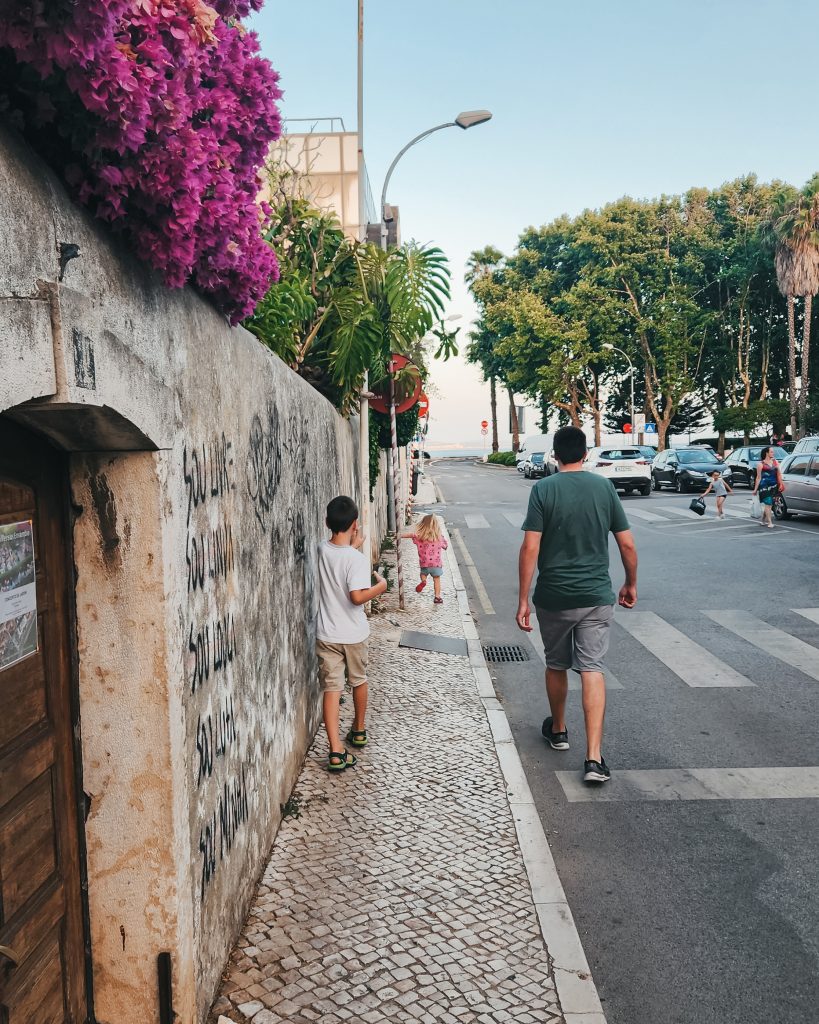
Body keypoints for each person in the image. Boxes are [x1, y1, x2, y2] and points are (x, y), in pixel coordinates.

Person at [516, 426, 638, 784]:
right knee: (592, 668)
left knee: (556, 663)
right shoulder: (603, 487)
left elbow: (530, 548)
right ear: (586, 454)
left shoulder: (543, 489)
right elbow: (627, 545)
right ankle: (594, 758)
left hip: (553, 596)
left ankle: (558, 730)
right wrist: (630, 583)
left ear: (555, 455)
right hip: (595, 596)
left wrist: (523, 599)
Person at [316, 496, 387, 772]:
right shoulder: (356, 560)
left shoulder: (322, 549)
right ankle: (358, 730)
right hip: (354, 635)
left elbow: (338, 554)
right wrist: (380, 587)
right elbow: (357, 597)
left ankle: (335, 751)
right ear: (355, 525)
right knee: (359, 680)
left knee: (331, 689)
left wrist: (352, 547)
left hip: (327, 634)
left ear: (327, 523)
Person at [402, 514, 448, 604]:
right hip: (436, 564)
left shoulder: (420, 536)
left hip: (424, 563)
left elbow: (411, 535)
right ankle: (437, 597)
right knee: (437, 580)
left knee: (423, 574)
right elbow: (445, 546)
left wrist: (400, 535)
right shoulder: (439, 537)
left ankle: (423, 581)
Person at [752, 446, 784, 529]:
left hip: (774, 486)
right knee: (768, 503)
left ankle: (763, 520)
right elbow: (758, 477)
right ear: (767, 453)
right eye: (771, 452)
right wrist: (755, 489)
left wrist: (781, 484)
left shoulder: (775, 462)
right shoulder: (760, 464)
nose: (773, 453)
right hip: (764, 486)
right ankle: (770, 522)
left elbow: (779, 474)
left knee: (769, 504)